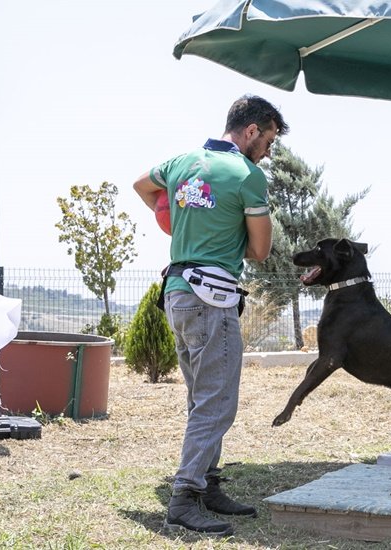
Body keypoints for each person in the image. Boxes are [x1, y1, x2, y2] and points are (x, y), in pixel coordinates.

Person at [133, 95, 287, 536]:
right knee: (217, 402)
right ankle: (183, 499)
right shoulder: (247, 176)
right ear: (252, 131)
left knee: (202, 397)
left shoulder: (181, 162)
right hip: (212, 299)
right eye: (269, 139)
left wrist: (175, 218)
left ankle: (208, 486)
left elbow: (143, 185)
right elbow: (260, 251)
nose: (269, 151)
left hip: (177, 294)